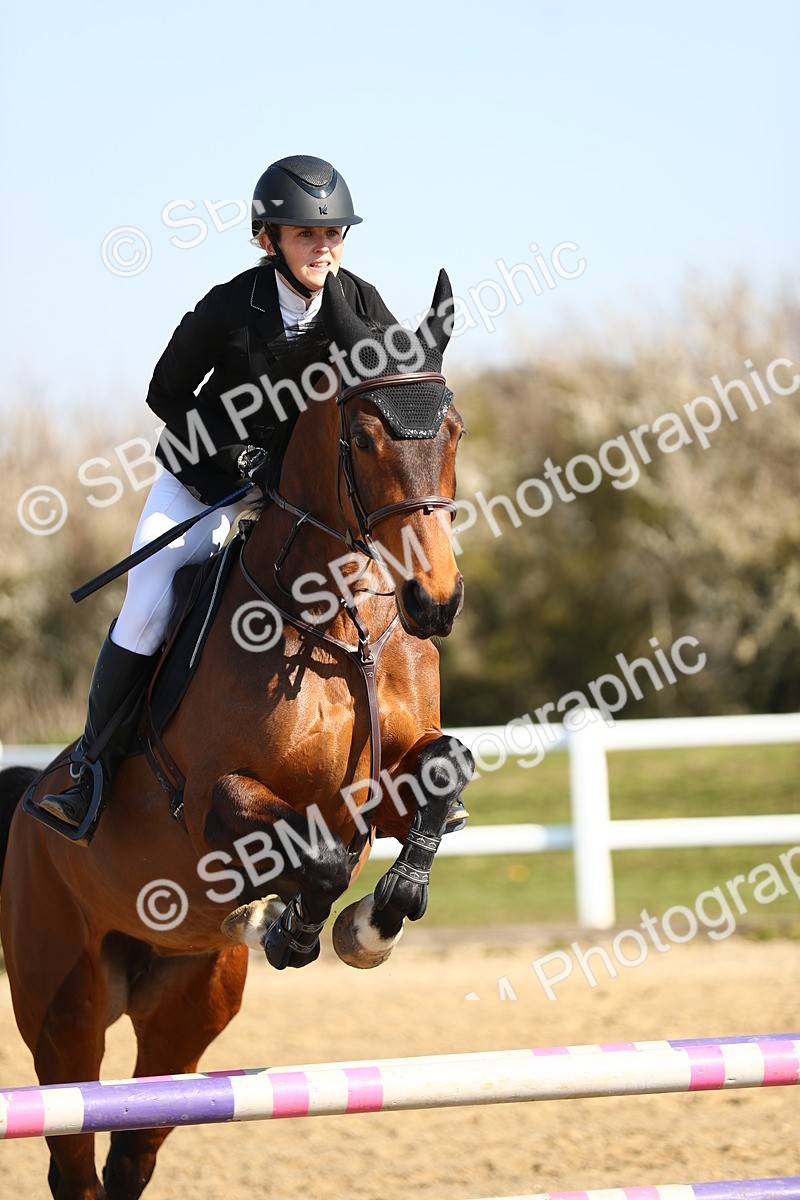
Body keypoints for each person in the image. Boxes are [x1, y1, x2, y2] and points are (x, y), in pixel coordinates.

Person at [39, 155, 398, 835]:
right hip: (206, 482)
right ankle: (91, 770)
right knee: (149, 596)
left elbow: (390, 391)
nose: (324, 248)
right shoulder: (229, 307)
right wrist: (235, 458)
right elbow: (164, 393)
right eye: (305, 235)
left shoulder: (361, 305)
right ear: (269, 239)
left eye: (333, 235)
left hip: (299, 499)